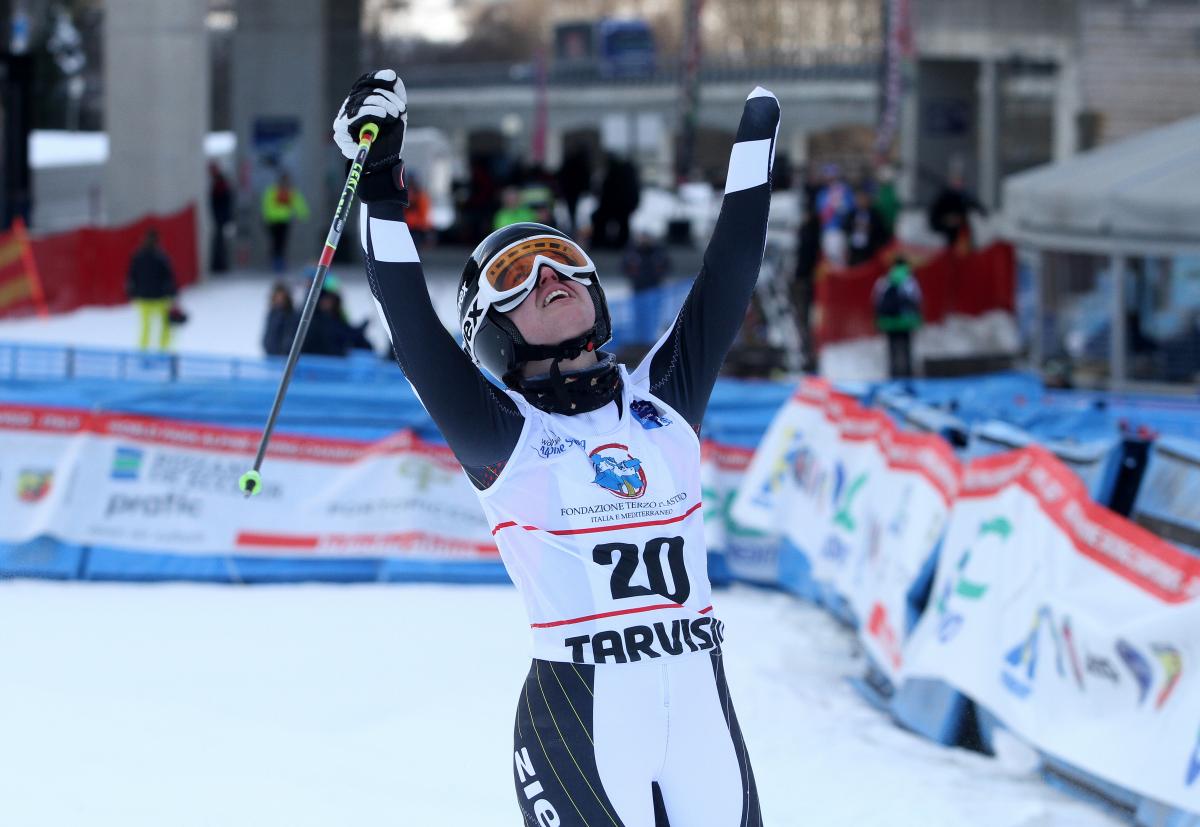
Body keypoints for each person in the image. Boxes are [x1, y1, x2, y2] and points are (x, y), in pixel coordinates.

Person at [335, 68, 774, 826]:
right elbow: (409, 325)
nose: (550, 276)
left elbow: (728, 274)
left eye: (565, 260)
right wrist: (378, 182)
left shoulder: (662, 404)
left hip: (703, 705)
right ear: (489, 330)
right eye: (516, 275)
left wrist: (754, 147)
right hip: (582, 724)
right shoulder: (506, 436)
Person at [126, 228, 177, 351]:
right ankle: (164, 352)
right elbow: (169, 277)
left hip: (143, 298)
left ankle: (144, 353)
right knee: (165, 327)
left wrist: (132, 293)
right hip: (160, 298)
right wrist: (172, 294)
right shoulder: (161, 257)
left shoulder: (138, 257)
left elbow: (132, 277)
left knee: (145, 327)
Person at [872, 257, 923, 378]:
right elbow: (917, 299)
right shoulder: (910, 281)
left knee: (892, 350)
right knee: (906, 349)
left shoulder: (884, 280)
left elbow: (876, 300)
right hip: (905, 322)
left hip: (889, 322)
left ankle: (894, 375)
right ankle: (908, 375)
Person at [621, 228, 672, 347]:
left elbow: (666, 265)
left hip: (654, 289)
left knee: (653, 316)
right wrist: (633, 276)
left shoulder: (658, 252)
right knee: (639, 316)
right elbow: (624, 266)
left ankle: (651, 340)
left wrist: (658, 275)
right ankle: (639, 341)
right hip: (638, 290)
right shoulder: (632, 251)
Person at [927, 163, 986, 252]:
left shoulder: (964, 196)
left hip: (962, 237)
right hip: (947, 237)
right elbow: (934, 218)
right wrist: (946, 222)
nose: (959, 183)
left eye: (960, 180)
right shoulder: (943, 197)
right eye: (956, 180)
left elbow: (977, 207)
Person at [261, 171, 310, 273]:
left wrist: (303, 214)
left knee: (280, 242)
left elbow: (298, 203)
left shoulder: (286, 192)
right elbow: (267, 205)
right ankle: (276, 261)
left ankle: (278, 262)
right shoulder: (276, 191)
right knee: (277, 242)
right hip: (274, 221)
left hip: (283, 220)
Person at [841, 185, 892, 266]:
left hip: (870, 251)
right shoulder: (852, 214)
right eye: (858, 199)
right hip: (854, 250)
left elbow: (883, 233)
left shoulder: (876, 215)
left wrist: (870, 228)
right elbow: (845, 228)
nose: (860, 201)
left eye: (863, 198)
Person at [209, 162, 234, 273]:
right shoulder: (220, 184)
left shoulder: (220, 184)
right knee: (220, 242)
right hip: (221, 217)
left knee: (220, 242)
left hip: (221, 217)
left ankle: (220, 265)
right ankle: (220, 265)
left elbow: (223, 202)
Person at [262, 281, 298, 357]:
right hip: (271, 356)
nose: (279, 300)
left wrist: (285, 350)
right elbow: (268, 334)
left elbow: (291, 336)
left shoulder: (292, 315)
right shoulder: (272, 313)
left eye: (282, 297)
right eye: (277, 297)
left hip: (286, 357)